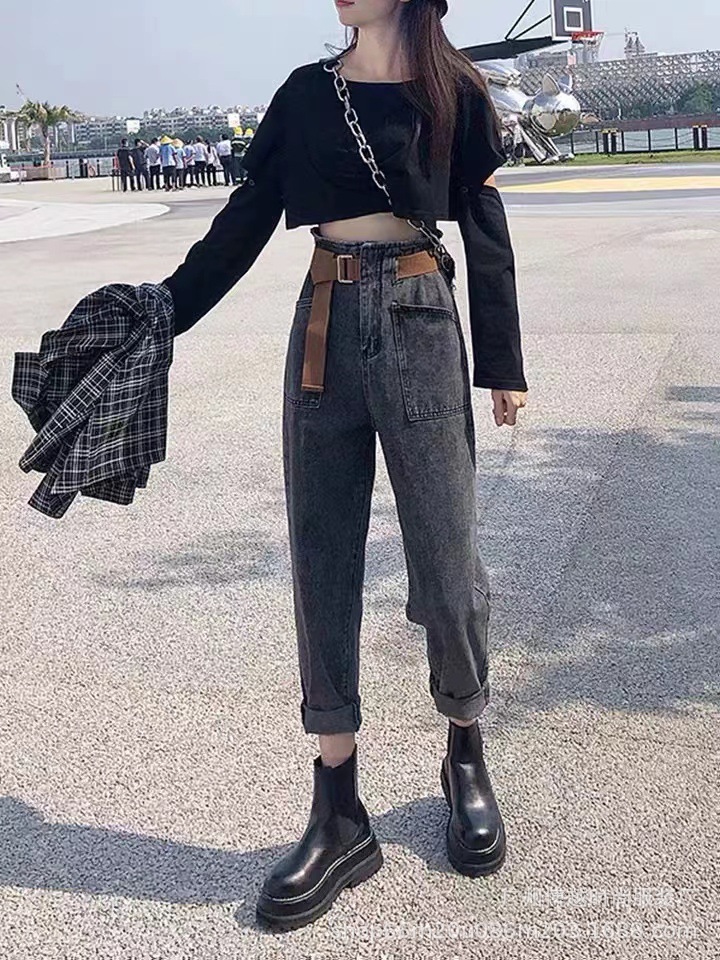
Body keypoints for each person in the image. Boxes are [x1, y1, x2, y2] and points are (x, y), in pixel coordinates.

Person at [162, 0, 527, 932]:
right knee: (321, 561)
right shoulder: (304, 95)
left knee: (447, 563)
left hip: (420, 318)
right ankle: (338, 808)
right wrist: (164, 310)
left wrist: (503, 362)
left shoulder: (456, 92)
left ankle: (465, 747)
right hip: (323, 324)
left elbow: (483, 220)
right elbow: (248, 216)